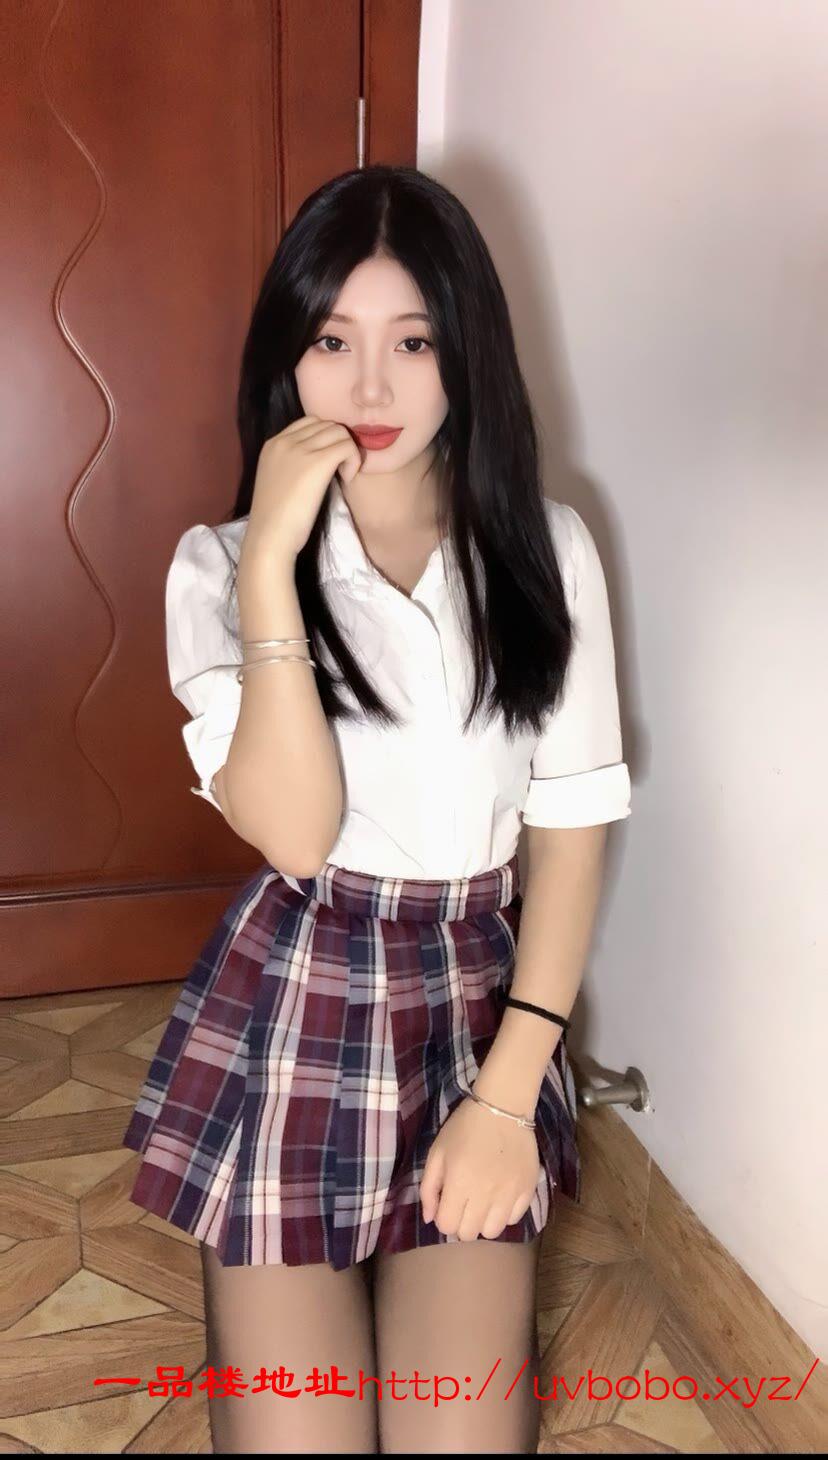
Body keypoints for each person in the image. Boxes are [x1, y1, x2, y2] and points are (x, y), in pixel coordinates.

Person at [121, 163, 631, 1454]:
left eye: (413, 342)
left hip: (478, 1014)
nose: (369, 389)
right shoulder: (217, 568)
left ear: (466, 352)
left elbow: (572, 838)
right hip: (301, 999)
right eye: (331, 341)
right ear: (286, 357)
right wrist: (273, 566)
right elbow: (296, 833)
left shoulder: (547, 553)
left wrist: (509, 1098)